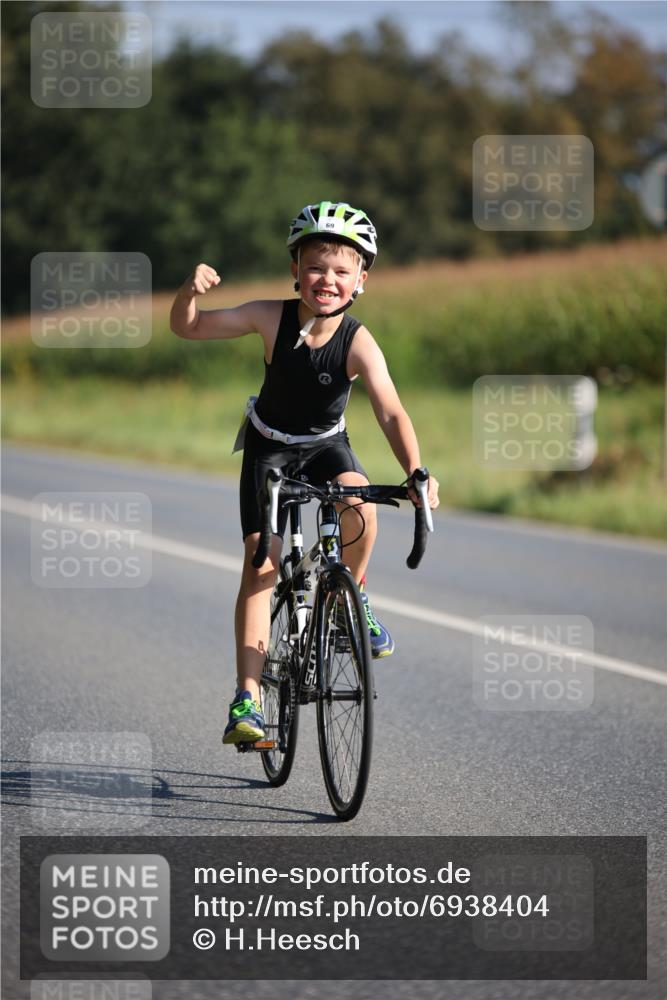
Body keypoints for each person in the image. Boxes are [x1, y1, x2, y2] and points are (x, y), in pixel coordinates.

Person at [170, 200, 440, 745]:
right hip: (268, 450)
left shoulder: (358, 341)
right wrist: (188, 293)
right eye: (316, 267)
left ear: (362, 279)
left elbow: (390, 409)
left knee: (360, 507)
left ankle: (352, 596)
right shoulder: (270, 316)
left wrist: (416, 471)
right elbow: (189, 329)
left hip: (325, 446)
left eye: (343, 271)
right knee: (263, 565)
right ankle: (247, 699)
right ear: (296, 270)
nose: (328, 280)